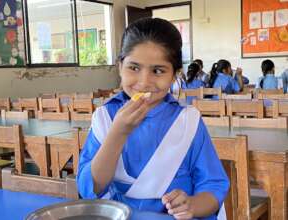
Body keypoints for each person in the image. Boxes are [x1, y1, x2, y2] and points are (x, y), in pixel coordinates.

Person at [77, 18, 229, 220]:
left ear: (175, 74)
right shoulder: (105, 117)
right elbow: (90, 188)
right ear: (120, 66)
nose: (144, 82)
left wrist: (191, 205)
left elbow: (213, 186)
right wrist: (118, 133)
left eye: (158, 71)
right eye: (134, 68)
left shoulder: (188, 121)